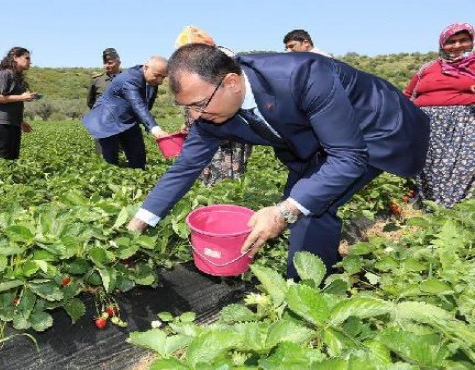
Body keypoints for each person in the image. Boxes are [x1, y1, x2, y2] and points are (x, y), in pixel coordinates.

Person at [127, 43, 430, 279]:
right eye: (186, 108)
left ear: (232, 82)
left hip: (374, 128)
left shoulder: (303, 75)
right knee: (302, 202)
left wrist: (286, 211)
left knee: (307, 207)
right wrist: (140, 222)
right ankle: (323, 274)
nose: (194, 116)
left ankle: (305, 295)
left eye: (198, 105)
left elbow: (348, 157)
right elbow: (184, 168)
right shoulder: (210, 114)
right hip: (310, 141)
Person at [403, 22, 475, 208]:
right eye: (451, 41)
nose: (457, 45)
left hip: (465, 124)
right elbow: (407, 95)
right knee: (430, 167)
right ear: (442, 44)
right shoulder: (428, 68)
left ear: (471, 41)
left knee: (462, 167)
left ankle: (455, 210)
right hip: (427, 124)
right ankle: (433, 208)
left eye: (463, 40)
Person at [176, 26, 252, 186]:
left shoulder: (226, 64)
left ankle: (227, 198)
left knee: (228, 167)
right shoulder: (188, 69)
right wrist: (189, 123)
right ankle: (209, 194)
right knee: (204, 165)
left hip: (229, 124)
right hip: (204, 125)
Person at [81, 56, 169, 169]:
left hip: (128, 121)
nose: (160, 81)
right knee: (109, 162)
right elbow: (137, 105)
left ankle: (138, 180)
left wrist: (148, 125)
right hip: (107, 121)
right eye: (157, 75)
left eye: (163, 77)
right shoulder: (130, 79)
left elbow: (146, 105)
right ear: (146, 67)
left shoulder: (151, 80)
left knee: (138, 157)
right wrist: (155, 129)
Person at [0, 47, 39, 160]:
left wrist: (20, 122)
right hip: (1, 123)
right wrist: (21, 97)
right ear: (15, 57)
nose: (30, 61)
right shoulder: (5, 74)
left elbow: (11, 101)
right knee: (6, 160)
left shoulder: (17, 77)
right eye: (27, 58)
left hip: (12, 123)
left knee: (13, 159)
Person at [87, 48, 122, 156]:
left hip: (123, 123)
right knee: (103, 158)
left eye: (110, 63)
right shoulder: (97, 81)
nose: (107, 65)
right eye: (105, 63)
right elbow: (90, 101)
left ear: (119, 62)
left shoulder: (128, 79)